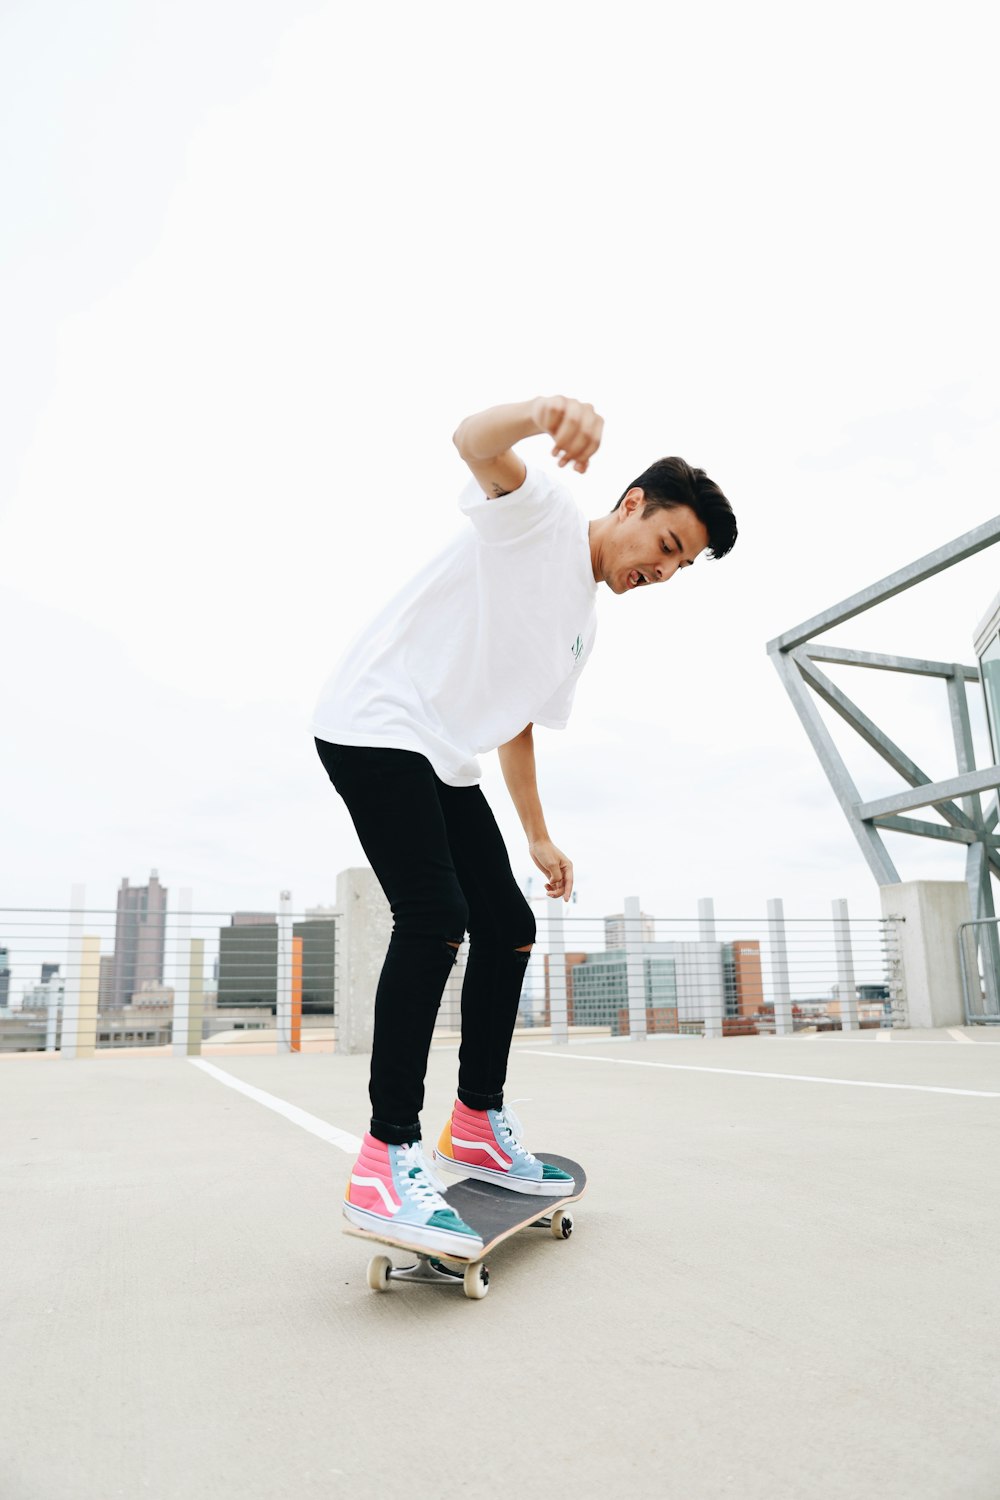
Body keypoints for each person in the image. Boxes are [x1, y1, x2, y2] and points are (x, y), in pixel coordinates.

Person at [313, 394, 737, 1256]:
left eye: (679, 567)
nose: (660, 572)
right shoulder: (537, 515)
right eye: (664, 546)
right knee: (436, 920)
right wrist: (547, 411)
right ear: (630, 505)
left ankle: (473, 1123)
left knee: (505, 923)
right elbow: (470, 440)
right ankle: (385, 1155)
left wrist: (537, 833)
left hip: (442, 752)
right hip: (376, 720)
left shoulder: (582, 626)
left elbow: (517, 719)